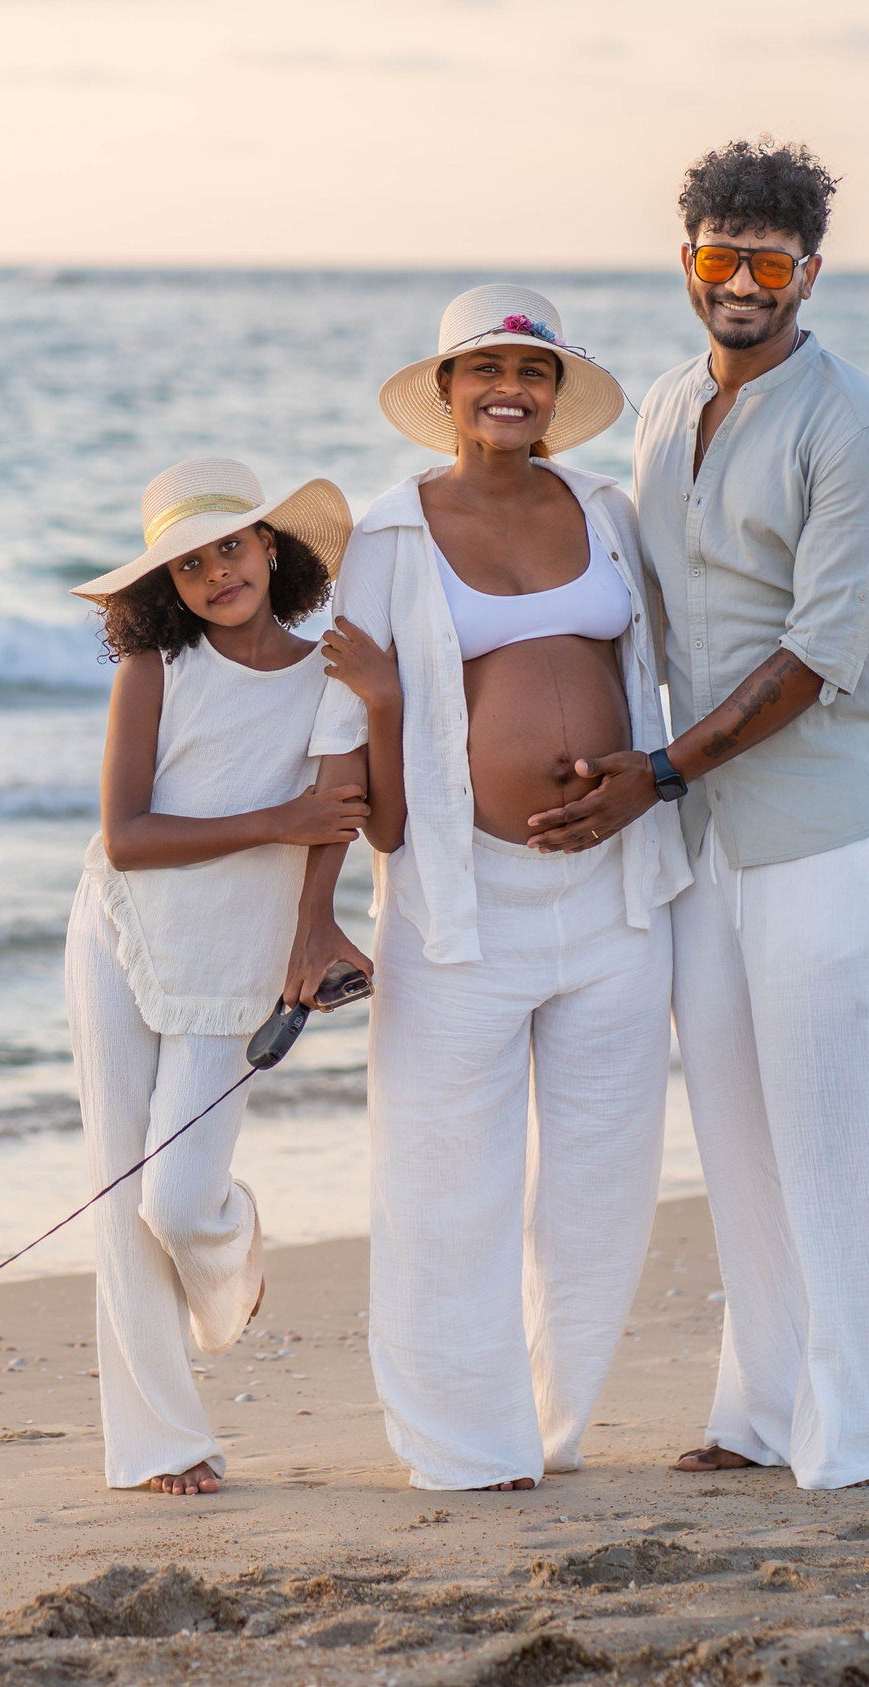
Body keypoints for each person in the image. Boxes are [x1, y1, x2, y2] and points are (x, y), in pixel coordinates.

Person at [522, 139, 869, 1490]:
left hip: (824, 816)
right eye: (718, 255)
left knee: (839, 1123)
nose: (741, 281)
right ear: (684, 258)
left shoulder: (852, 423)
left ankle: (848, 1432)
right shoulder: (654, 409)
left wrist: (659, 770)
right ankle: (758, 1413)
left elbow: (819, 652)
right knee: (743, 1135)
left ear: (810, 271)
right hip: (699, 829)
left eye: (768, 260)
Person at [295, 285, 691, 1493]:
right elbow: (334, 740)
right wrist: (312, 919)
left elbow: (675, 660)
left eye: (529, 371)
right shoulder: (388, 535)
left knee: (599, 1185)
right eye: (480, 371)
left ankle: (549, 1428)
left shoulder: (611, 513)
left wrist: (658, 785)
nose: (505, 389)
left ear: (556, 395)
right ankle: (460, 1447)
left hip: (617, 901)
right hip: (459, 910)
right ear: (446, 391)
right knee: (440, 1183)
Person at [64, 456, 377, 1496]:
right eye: (189, 564)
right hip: (122, 931)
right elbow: (127, 836)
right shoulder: (156, 670)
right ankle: (160, 1443)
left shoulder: (332, 671)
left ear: (270, 547)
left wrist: (312, 925)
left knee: (180, 1199)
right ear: (168, 585)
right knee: (120, 1191)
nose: (215, 574)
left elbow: (342, 815)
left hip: (239, 952)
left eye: (230, 547)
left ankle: (230, 1247)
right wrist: (274, 821)